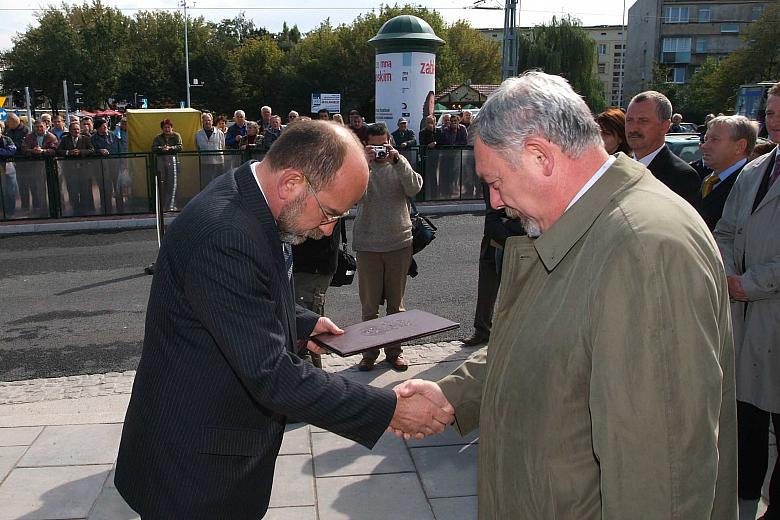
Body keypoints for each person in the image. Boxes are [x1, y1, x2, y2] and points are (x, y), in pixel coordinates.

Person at [395, 71, 738, 518]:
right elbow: (546, 344)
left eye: (495, 182)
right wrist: (454, 394)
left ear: (540, 155)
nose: (495, 202)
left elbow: (662, 478)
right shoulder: (580, 224)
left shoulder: (643, 250)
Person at [114, 120, 453, 519]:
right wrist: (388, 408)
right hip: (195, 473)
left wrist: (302, 323)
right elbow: (272, 375)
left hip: (204, 453)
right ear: (291, 182)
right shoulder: (226, 234)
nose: (329, 231)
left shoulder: (245, 197)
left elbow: (239, 294)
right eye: (330, 213)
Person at [714, 82, 780, 520]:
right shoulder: (754, 171)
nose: (773, 120)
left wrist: (750, 283)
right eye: (771, 112)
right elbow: (724, 232)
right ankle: (743, 506)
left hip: (766, 309)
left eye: (779, 112)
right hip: (747, 323)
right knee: (747, 426)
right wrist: (726, 275)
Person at [353, 123, 423, 372]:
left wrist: (398, 161)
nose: (380, 150)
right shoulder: (360, 166)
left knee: (396, 305)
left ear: (389, 142)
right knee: (369, 307)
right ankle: (369, 353)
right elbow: (355, 196)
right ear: (366, 145)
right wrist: (365, 164)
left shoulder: (399, 163)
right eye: (374, 146)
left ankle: (395, 352)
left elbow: (415, 188)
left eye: (384, 145)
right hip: (368, 244)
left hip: (399, 242)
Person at [459, 182, 524, 347]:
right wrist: (508, 235)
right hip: (494, 242)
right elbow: (492, 218)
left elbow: (532, 219)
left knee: (516, 293)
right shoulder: (491, 175)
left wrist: (509, 226)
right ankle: (482, 330)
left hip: (520, 242)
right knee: (487, 288)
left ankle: (512, 335)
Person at [625, 91, 701, 209]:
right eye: (629, 120)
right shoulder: (619, 167)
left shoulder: (682, 177)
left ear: (665, 126)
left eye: (643, 120)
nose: (633, 128)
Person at [697, 115, 756, 231]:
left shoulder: (752, 184)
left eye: (714, 140)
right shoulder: (707, 180)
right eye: (705, 139)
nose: (704, 146)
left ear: (740, 146)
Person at [57, 120, 95, 215]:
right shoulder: (65, 139)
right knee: (72, 190)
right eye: (74, 130)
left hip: (84, 169)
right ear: (70, 131)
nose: (76, 131)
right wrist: (69, 152)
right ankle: (75, 209)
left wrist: (80, 152)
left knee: (85, 190)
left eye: (78, 129)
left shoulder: (85, 139)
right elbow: (59, 151)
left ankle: (85, 210)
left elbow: (92, 150)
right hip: (70, 170)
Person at [20, 119, 58, 214]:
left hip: (49, 167)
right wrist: (33, 151)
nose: (39, 128)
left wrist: (43, 151)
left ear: (45, 126)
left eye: (41, 126)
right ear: (34, 127)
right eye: (37, 127)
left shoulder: (51, 137)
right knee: (38, 189)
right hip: (34, 167)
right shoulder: (29, 137)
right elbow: (24, 149)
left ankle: (55, 209)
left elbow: (54, 149)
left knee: (52, 188)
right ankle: (41, 209)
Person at [91, 118, 123, 213]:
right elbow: (90, 151)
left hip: (114, 165)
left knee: (118, 188)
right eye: (102, 125)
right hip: (101, 167)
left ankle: (120, 209)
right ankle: (106, 209)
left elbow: (119, 149)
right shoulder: (93, 139)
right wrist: (98, 151)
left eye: (106, 124)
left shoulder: (113, 136)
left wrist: (122, 163)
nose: (105, 127)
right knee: (104, 189)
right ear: (97, 128)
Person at [152, 118, 183, 212]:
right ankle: (162, 206)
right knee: (162, 184)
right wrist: (162, 149)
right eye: (165, 127)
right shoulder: (158, 137)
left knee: (173, 184)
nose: (167, 129)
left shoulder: (176, 135)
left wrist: (170, 148)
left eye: (168, 127)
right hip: (161, 163)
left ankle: (173, 205)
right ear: (162, 128)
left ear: (172, 127)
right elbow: (153, 148)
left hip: (173, 163)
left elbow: (180, 147)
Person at [194, 112, 226, 187]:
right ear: (202, 121)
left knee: (218, 183)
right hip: (205, 163)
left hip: (218, 162)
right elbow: (197, 146)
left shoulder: (219, 133)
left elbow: (223, 146)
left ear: (212, 121)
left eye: (208, 120)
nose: (207, 122)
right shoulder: (198, 134)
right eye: (205, 120)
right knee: (206, 184)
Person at [0, 122, 18, 217]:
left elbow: (11, 151)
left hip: (8, 168)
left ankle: (11, 211)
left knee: (10, 190)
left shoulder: (7, 139)